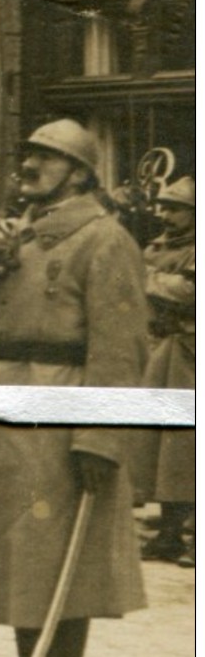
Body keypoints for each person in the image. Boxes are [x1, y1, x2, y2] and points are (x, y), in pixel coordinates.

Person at [0, 118, 149, 657]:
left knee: (62, 561)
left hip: (61, 412)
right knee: (20, 561)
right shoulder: (10, 237)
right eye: (27, 153)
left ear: (81, 172)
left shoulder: (104, 238)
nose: (29, 165)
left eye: (47, 156)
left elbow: (121, 348)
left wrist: (100, 436)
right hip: (2, 406)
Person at [139, 176, 195, 567]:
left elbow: (189, 291)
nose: (167, 214)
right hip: (159, 347)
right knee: (159, 448)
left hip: (189, 350)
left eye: (176, 208)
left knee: (185, 448)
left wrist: (149, 280)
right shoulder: (158, 246)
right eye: (165, 206)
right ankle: (170, 532)